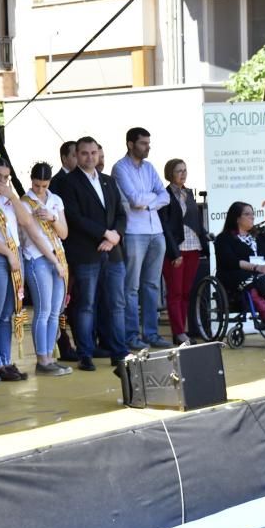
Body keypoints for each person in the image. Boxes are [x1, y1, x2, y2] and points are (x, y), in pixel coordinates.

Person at [0, 157, 58, 381]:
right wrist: (9, 254)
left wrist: (11, 196)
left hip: (14, 254)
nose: (1, 181)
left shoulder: (9, 199)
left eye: (5, 177)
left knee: (7, 313)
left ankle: (6, 361)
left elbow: (27, 222)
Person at [60, 137, 129, 371]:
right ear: (77, 155)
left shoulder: (109, 181)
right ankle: (86, 354)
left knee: (117, 304)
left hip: (113, 252)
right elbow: (75, 217)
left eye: (93, 153)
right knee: (86, 304)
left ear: (99, 154)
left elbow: (121, 213)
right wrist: (104, 234)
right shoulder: (69, 183)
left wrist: (115, 236)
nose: (90, 157)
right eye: (84, 153)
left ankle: (119, 352)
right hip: (86, 252)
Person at [111, 127, 171, 350]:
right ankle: (132, 335)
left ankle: (152, 334)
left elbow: (165, 196)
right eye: (143, 143)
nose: (148, 146)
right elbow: (135, 200)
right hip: (134, 232)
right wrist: (151, 200)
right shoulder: (120, 168)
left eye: (148, 142)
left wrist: (150, 202)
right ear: (130, 144)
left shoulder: (150, 167)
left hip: (156, 231)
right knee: (132, 287)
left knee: (152, 285)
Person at [20, 162, 71, 376]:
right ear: (31, 181)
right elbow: (34, 237)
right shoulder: (24, 202)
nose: (40, 189)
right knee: (43, 309)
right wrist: (55, 262)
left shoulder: (55, 200)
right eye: (36, 185)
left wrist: (53, 217)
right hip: (38, 257)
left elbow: (64, 233)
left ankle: (50, 356)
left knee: (55, 310)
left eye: (44, 185)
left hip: (58, 255)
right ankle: (41, 359)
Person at [214, 202, 265, 322]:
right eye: (247, 214)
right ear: (237, 218)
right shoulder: (224, 238)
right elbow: (230, 261)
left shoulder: (262, 235)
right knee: (249, 278)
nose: (252, 217)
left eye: (252, 214)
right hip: (239, 272)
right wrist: (257, 268)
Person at [159, 159, 209, 344]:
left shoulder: (188, 193)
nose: (183, 173)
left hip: (193, 247)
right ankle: (178, 332)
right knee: (175, 292)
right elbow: (165, 226)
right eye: (179, 170)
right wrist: (174, 253)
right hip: (176, 250)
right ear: (170, 173)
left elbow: (196, 221)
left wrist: (205, 238)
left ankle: (185, 330)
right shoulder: (164, 195)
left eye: (185, 170)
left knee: (187, 292)